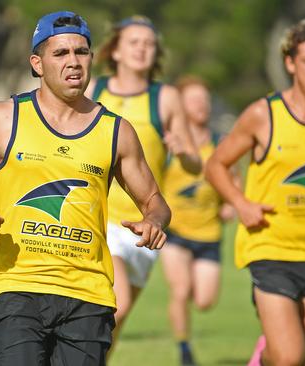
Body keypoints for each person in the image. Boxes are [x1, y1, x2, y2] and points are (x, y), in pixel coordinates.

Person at [0, 11, 171, 366]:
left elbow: (154, 200)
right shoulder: (3, 118)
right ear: (37, 63)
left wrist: (155, 221)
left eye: (81, 52)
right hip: (17, 286)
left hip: (88, 293)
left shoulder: (116, 131)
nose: (74, 62)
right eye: (61, 54)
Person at [206, 18, 305, 366]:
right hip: (271, 248)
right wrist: (240, 203)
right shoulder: (264, 114)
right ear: (291, 63)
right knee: (289, 357)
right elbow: (215, 165)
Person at [85, 15, 201, 349]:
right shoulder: (95, 90)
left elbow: (195, 165)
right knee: (113, 307)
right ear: (116, 51)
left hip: (145, 227)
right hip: (99, 218)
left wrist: (183, 152)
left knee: (112, 329)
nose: (142, 49)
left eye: (149, 44)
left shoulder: (165, 98)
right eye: (134, 42)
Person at [160, 76, 234, 366]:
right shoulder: (170, 144)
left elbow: (234, 181)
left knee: (204, 300)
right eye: (193, 99)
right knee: (180, 290)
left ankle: (185, 330)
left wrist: (230, 205)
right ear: (180, 105)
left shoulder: (220, 143)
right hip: (175, 231)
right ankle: (184, 348)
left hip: (209, 233)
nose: (201, 105)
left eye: (204, 99)